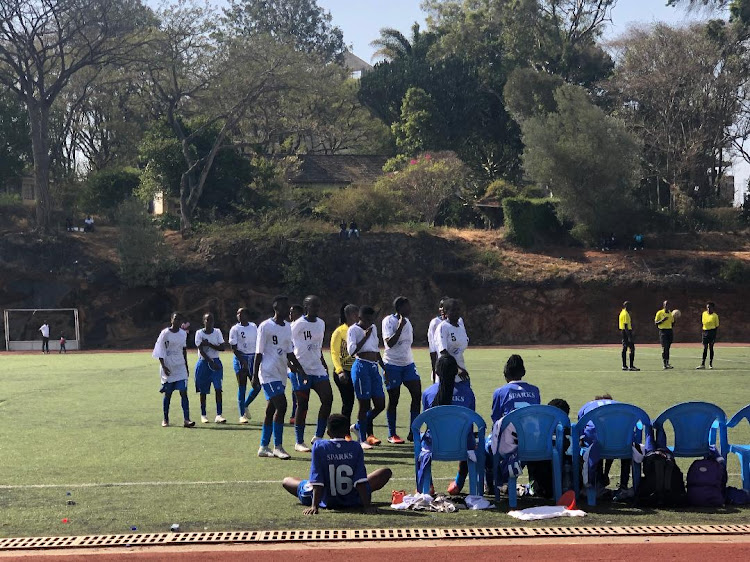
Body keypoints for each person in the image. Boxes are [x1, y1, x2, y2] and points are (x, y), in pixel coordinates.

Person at [281, 414, 392, 515]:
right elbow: (360, 481)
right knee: (385, 472)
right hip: (351, 498)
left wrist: (314, 506)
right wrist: (367, 506)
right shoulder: (355, 447)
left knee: (287, 481)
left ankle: (311, 490)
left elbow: (317, 480)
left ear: (328, 432)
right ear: (347, 433)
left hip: (325, 498)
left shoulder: (319, 446)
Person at [253, 296, 307, 460]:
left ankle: (263, 446)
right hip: (268, 373)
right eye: (284, 307)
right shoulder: (265, 326)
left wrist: (300, 369)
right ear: (276, 308)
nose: (288, 310)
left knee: (271, 410)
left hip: (281, 373)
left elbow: (289, 352)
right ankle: (278, 446)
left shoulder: (288, 327)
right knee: (282, 406)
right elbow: (258, 353)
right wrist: (255, 375)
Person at [420, 354, 477, 495]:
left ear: (436, 372)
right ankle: (458, 483)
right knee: (468, 436)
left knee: (420, 440)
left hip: (435, 445)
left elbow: (427, 420)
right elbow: (470, 422)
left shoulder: (428, 393)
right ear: (455, 372)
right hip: (462, 445)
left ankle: (428, 486)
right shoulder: (468, 393)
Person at [485, 354, 541, 493]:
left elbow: (496, 419)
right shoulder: (535, 390)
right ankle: (534, 484)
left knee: (486, 447)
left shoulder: (500, 392)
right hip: (533, 442)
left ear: (505, 374)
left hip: (510, 443)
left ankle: (493, 483)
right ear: (523, 373)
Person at [290, 295, 334, 453]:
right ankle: (299, 441)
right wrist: (293, 367)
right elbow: (288, 346)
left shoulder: (321, 323)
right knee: (303, 405)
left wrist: (323, 363)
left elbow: (317, 347)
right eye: (314, 306)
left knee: (328, 398)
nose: (317, 308)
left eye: (318, 306)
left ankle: (318, 436)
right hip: (301, 370)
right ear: (306, 307)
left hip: (317, 368)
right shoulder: (297, 324)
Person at [578, 394, 634, 501]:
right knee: (617, 440)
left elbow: (581, 428)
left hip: (596, 442)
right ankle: (623, 486)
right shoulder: (619, 405)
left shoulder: (588, 405)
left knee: (594, 444)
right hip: (621, 443)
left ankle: (596, 482)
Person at [382, 296, 421, 444]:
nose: (410, 309)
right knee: (394, 399)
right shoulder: (388, 321)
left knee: (417, 394)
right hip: (392, 365)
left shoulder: (408, 322)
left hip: (408, 364)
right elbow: (390, 343)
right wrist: (399, 327)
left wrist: (404, 324)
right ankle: (392, 434)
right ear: (399, 307)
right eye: (407, 306)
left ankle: (413, 430)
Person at [347, 305, 385, 450]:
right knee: (364, 405)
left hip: (373, 366)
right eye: (367, 319)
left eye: (372, 319)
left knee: (380, 404)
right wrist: (365, 336)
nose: (370, 322)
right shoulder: (354, 330)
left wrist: (384, 367)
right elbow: (352, 351)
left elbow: (375, 349)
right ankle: (362, 439)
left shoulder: (373, 328)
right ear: (360, 318)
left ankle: (357, 426)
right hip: (361, 366)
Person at [153, 312, 194, 428]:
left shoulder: (183, 334)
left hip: (180, 365)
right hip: (168, 365)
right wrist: (163, 366)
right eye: (175, 319)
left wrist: (186, 366)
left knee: (184, 392)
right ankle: (165, 419)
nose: (177, 321)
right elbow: (159, 349)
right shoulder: (165, 333)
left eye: (179, 319)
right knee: (168, 394)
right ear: (171, 320)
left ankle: (187, 419)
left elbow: (183, 350)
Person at [228, 308, 260, 424]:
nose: (239, 315)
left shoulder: (253, 327)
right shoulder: (235, 329)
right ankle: (241, 415)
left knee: (257, 386)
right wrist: (242, 360)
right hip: (241, 359)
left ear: (247, 314)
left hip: (253, 358)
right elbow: (233, 348)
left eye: (242, 313)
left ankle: (245, 404)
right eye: (237, 313)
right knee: (242, 386)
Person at [330, 304, 358, 438]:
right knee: (348, 402)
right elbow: (334, 353)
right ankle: (345, 432)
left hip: (358, 370)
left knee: (365, 401)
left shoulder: (359, 329)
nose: (357, 316)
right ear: (347, 315)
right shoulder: (340, 332)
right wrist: (340, 371)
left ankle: (364, 431)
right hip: (344, 372)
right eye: (354, 313)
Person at [193, 312, 226, 424]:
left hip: (216, 362)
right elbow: (201, 349)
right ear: (204, 321)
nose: (209, 322)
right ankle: (203, 414)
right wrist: (210, 361)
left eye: (211, 320)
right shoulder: (199, 333)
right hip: (204, 363)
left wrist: (210, 344)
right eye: (207, 320)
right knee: (203, 390)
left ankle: (219, 415)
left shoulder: (217, 332)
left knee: (218, 388)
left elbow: (222, 347)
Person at [437, 299, 470, 380]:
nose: (456, 312)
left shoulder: (461, 326)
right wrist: (458, 369)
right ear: (446, 312)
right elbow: (443, 352)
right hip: (448, 372)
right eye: (453, 310)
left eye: (458, 310)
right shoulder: (443, 327)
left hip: (462, 372)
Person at [288, 304, 304, 425]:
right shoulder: (289, 327)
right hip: (289, 363)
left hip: (300, 363)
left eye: (292, 312)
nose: (290, 314)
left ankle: (295, 414)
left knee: (297, 390)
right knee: (295, 390)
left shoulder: (303, 326)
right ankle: (295, 414)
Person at [697, 302, 720, 370]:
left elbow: (716, 326)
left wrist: (714, 336)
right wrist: (703, 333)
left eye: (710, 307)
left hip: (712, 332)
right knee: (705, 348)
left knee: (711, 348)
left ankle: (710, 364)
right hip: (705, 332)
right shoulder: (704, 314)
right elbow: (703, 323)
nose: (708, 308)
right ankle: (702, 364)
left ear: (713, 308)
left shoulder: (715, 316)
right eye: (707, 307)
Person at [654, 300, 675, 370]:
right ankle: (664, 364)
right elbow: (656, 323)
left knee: (668, 348)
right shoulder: (660, 313)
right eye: (666, 305)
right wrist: (662, 320)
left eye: (668, 305)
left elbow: (672, 324)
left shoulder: (671, 314)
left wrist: (675, 319)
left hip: (669, 331)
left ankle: (667, 363)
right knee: (664, 348)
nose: (667, 306)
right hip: (663, 331)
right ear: (663, 305)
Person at [619, 301, 639, 371]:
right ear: (626, 306)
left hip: (623, 331)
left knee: (625, 348)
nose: (631, 308)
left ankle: (624, 365)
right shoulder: (625, 314)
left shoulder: (622, 312)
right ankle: (631, 366)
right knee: (631, 348)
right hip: (626, 332)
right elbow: (625, 326)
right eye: (630, 306)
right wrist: (629, 337)